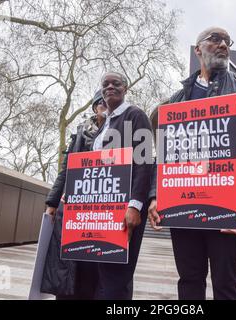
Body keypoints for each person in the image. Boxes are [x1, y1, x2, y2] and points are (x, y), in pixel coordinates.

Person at [148, 27, 236, 300]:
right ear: (197, 50)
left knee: (226, 282)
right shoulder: (177, 99)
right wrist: (156, 196)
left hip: (226, 206)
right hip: (183, 205)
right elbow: (165, 156)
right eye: (215, 39)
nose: (223, 45)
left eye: (227, 41)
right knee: (189, 281)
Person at [92, 71, 153, 300]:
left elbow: (145, 161)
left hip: (124, 208)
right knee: (104, 274)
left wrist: (135, 205)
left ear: (125, 88)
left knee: (117, 277)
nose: (110, 87)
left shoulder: (135, 115)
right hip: (101, 208)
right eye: (105, 84)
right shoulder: (105, 124)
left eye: (115, 83)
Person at [41, 90, 107, 299]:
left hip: (104, 206)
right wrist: (52, 201)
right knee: (70, 260)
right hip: (75, 205)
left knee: (94, 263)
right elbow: (66, 168)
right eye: (100, 103)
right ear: (95, 107)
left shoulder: (123, 129)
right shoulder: (80, 132)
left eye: (108, 103)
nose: (105, 106)